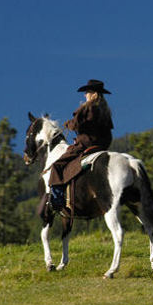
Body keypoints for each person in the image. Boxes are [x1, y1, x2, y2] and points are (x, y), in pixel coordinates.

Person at [48, 79, 113, 210]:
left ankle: (57, 199)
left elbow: (77, 124)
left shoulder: (87, 108)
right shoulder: (106, 111)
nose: (85, 95)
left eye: (87, 92)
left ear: (94, 94)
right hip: (102, 146)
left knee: (57, 166)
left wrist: (68, 124)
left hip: (85, 145)